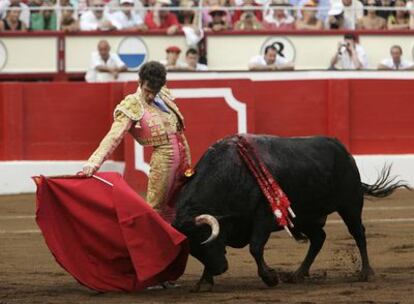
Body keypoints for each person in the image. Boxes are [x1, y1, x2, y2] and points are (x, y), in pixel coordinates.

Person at [83, 61, 192, 222]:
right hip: (164, 162)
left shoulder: (163, 94)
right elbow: (115, 135)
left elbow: (179, 131)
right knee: (156, 208)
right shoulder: (132, 103)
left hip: (184, 158)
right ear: (139, 82)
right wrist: (94, 162)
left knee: (183, 204)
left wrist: (188, 162)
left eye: (154, 92)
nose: (150, 96)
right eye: (147, 90)